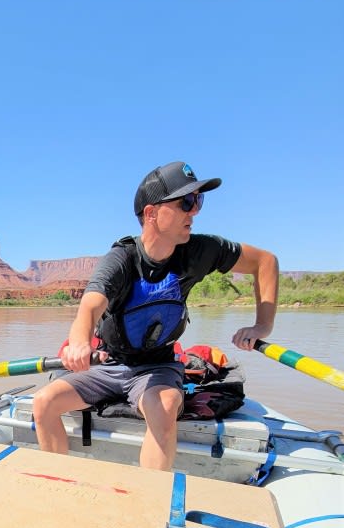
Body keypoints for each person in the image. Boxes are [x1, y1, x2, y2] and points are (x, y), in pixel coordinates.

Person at [32, 161, 279, 470]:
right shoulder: (121, 259)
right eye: (186, 202)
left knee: (163, 407)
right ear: (151, 213)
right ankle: (58, 484)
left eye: (198, 201)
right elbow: (90, 306)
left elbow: (265, 262)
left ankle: (150, 505)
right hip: (107, 364)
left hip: (158, 367)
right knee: (43, 403)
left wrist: (263, 325)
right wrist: (79, 343)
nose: (195, 211)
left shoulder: (201, 251)